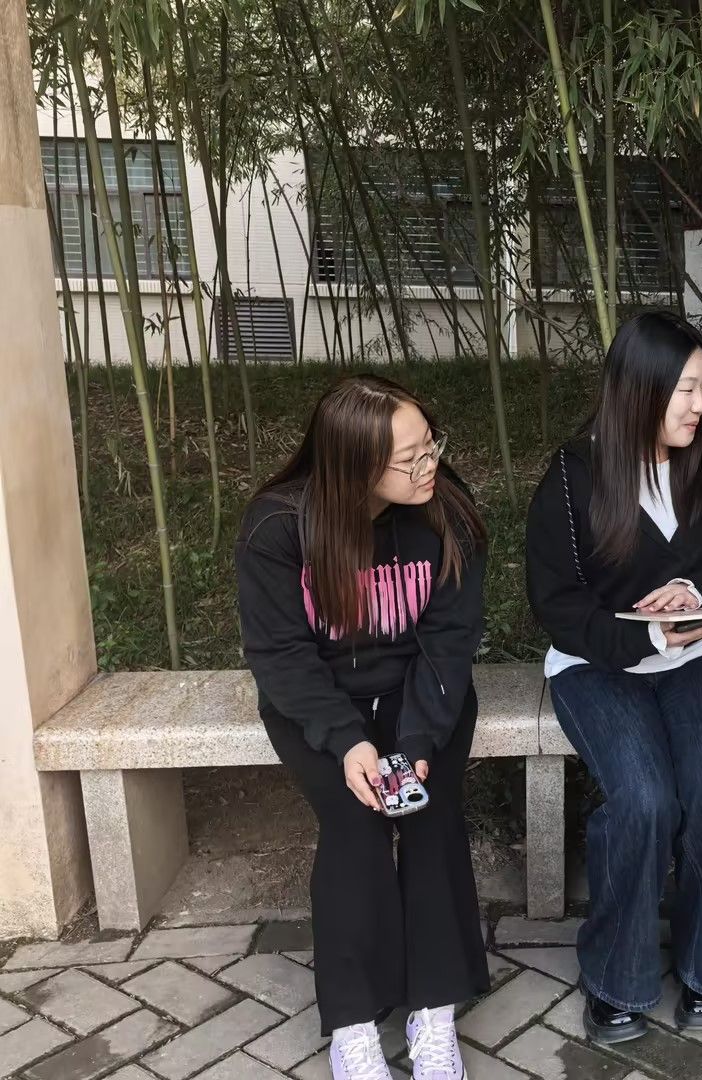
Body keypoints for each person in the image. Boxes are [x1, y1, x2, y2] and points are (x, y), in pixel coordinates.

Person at [235, 375, 488, 1080]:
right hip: (320, 702)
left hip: (420, 690)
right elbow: (279, 655)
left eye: (430, 445)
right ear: (353, 467)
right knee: (356, 822)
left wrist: (417, 741)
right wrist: (348, 741)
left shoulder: (446, 512)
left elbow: (450, 639)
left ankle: (432, 1012)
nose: (429, 464)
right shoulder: (279, 527)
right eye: (409, 458)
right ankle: (353, 1024)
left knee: (428, 812)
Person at [525, 311, 702, 1044]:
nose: (700, 404)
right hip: (599, 667)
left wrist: (693, 590)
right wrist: (643, 637)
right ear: (639, 389)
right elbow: (556, 603)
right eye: (685, 389)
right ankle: (617, 976)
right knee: (646, 799)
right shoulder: (574, 476)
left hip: (697, 661)